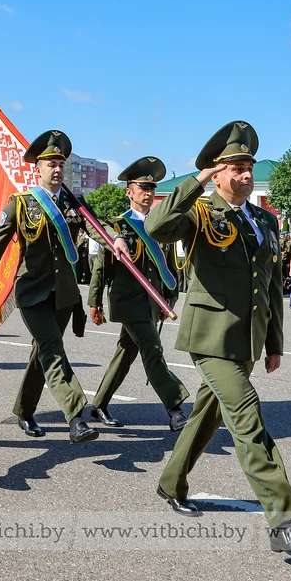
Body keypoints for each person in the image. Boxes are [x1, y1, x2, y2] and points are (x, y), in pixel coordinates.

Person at [146, 119, 291, 557]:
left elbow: (270, 286)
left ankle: (171, 483)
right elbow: (156, 226)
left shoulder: (264, 219)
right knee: (246, 416)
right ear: (218, 172)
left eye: (249, 166)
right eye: (236, 167)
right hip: (210, 337)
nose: (246, 174)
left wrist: (275, 342)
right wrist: (197, 180)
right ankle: (282, 518)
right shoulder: (199, 211)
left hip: (248, 339)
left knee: (208, 414)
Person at [0, 130, 102, 442]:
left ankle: (24, 409)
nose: (57, 169)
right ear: (38, 168)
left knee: (42, 352)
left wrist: (114, 241)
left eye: (61, 163)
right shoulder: (21, 204)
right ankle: (76, 416)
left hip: (63, 294)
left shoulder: (76, 204)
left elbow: (96, 228)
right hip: (32, 292)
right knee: (52, 349)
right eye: (50, 163)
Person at [87, 156, 189, 431]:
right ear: (129, 191)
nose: (149, 193)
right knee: (152, 349)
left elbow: (169, 268)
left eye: (152, 188)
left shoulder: (160, 225)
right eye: (143, 187)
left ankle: (98, 405)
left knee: (126, 352)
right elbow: (101, 267)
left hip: (152, 302)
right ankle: (175, 407)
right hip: (128, 301)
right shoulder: (117, 226)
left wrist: (170, 299)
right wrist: (94, 301)